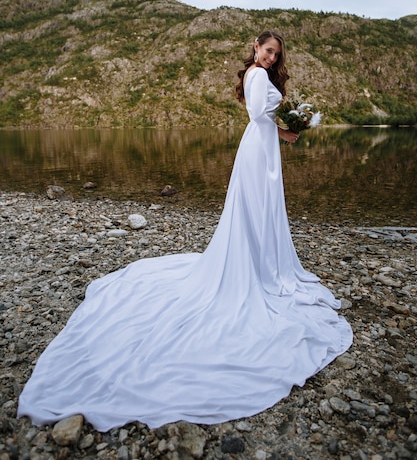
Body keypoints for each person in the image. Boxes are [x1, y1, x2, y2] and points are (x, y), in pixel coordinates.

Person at [18, 30, 353, 432]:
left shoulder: (256, 77)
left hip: (261, 145)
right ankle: (260, 270)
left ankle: (261, 264)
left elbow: (262, 119)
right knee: (255, 210)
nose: (269, 57)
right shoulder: (257, 76)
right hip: (258, 149)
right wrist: (287, 122)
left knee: (258, 211)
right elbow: (258, 115)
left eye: (275, 54)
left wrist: (285, 130)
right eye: (266, 50)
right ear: (255, 47)